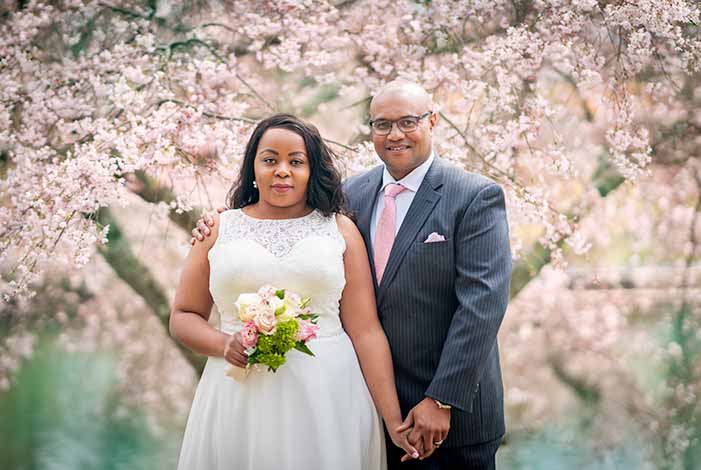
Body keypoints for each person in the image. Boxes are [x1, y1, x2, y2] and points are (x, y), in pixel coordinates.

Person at [193, 80, 512, 469]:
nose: (394, 134)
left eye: (407, 122)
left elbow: (482, 306)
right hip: (360, 404)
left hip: (446, 413)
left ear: (433, 122)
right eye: (381, 124)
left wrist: (441, 398)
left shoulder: (474, 195)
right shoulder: (350, 197)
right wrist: (219, 223)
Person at [170, 113, 418, 470]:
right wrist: (224, 344)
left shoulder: (340, 229)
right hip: (238, 396)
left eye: (296, 162)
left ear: (311, 169)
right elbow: (183, 316)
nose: (282, 170)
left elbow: (365, 331)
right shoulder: (217, 228)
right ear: (252, 168)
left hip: (328, 396)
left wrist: (393, 420)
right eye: (270, 160)